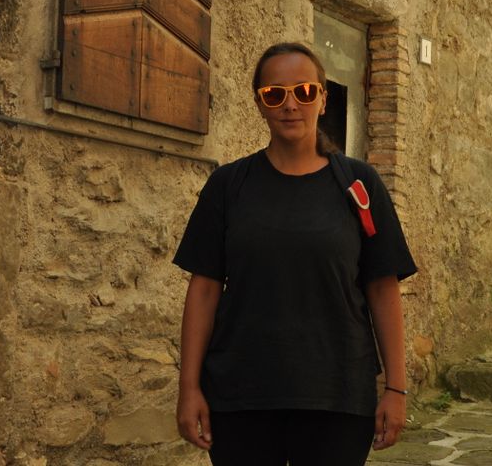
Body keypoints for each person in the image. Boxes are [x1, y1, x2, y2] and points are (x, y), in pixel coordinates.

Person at [173, 42, 417, 466]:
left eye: (304, 92)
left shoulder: (359, 184)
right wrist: (188, 388)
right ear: (259, 105)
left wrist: (396, 388)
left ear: (322, 99)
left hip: (338, 396)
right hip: (240, 395)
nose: (290, 105)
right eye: (274, 95)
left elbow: (382, 289)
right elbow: (205, 290)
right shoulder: (229, 186)